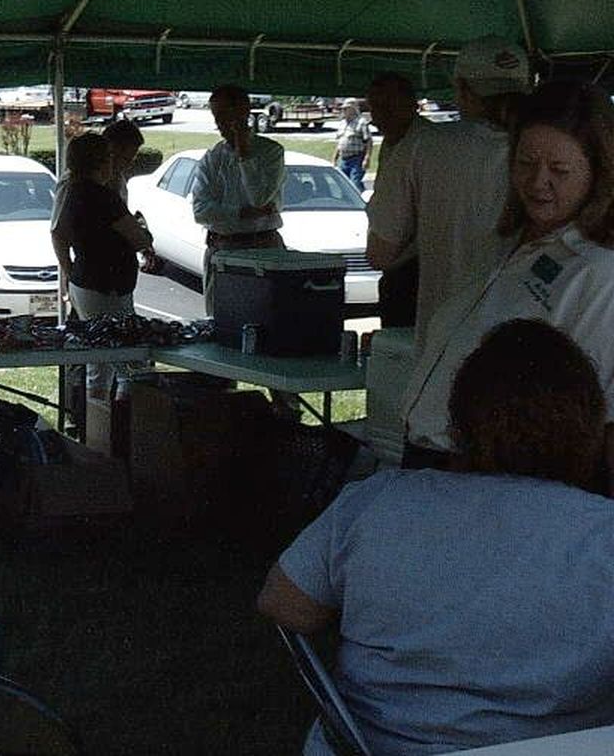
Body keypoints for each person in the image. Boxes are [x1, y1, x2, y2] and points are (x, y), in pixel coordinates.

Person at [259, 319, 614, 756]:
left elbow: (286, 605)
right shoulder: (603, 535)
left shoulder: (379, 502)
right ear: (589, 429)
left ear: (457, 422)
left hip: (367, 746)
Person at [402, 80, 614, 471]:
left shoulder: (598, 272)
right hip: (429, 455)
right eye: (525, 163)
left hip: (495, 476)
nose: (538, 182)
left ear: (597, 172)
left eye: (560, 170)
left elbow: (597, 418)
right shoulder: (502, 243)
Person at [367, 35, 530, 350]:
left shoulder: (423, 146)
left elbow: (380, 253)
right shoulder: (554, 152)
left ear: (461, 89)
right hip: (528, 336)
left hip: (448, 338)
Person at [52, 133, 153, 396]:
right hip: (107, 287)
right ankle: (122, 417)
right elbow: (138, 239)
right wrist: (144, 233)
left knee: (99, 363)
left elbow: (59, 232)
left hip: (85, 280)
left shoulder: (73, 191)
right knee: (130, 365)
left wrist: (69, 271)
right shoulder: (103, 197)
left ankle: (96, 417)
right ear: (100, 161)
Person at [190, 84, 286, 318]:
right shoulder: (212, 158)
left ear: (244, 112)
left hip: (262, 248)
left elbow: (259, 197)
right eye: (216, 116)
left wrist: (244, 154)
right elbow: (200, 211)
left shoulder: (271, 152)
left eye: (225, 115)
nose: (220, 123)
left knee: (265, 319)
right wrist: (241, 213)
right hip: (221, 248)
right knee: (219, 320)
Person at [364, 72, 432, 327]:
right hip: (397, 270)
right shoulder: (393, 143)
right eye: (374, 108)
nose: (378, 116)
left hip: (421, 270)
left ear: (412, 105)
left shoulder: (425, 144)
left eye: (387, 107)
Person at [333, 98, 371, 191]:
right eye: (343, 109)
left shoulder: (361, 122)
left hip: (356, 159)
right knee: (343, 184)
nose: (344, 111)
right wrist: (334, 159)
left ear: (353, 109)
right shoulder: (342, 123)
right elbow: (340, 143)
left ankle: (361, 198)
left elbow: (368, 141)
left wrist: (367, 158)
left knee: (355, 183)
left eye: (346, 108)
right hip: (343, 159)